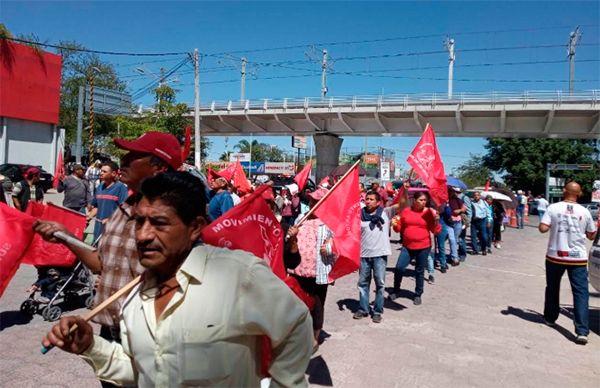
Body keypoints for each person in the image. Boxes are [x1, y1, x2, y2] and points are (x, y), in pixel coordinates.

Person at [42, 172, 313, 386]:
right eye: (139, 222)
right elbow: (143, 371)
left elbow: (296, 324)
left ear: (195, 227)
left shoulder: (238, 274)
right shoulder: (134, 297)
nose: (143, 235)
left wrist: (285, 382)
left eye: (159, 223)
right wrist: (90, 346)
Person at [34, 131, 182, 388]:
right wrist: (67, 237)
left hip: (148, 334)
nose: (122, 161)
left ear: (158, 166)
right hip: (110, 329)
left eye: (133, 155)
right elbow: (101, 264)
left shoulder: (174, 217)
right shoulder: (124, 208)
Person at [538, 182, 597, 345]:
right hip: (577, 258)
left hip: (555, 255)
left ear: (564, 191)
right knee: (580, 292)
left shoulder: (553, 208)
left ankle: (550, 318)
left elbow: (543, 228)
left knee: (552, 287)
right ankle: (582, 331)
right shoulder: (585, 212)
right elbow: (591, 236)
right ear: (579, 193)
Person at [287, 188, 336, 349]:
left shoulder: (329, 224)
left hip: (319, 272)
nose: (312, 204)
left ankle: (314, 338)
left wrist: (330, 247)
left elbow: (339, 245)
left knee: (317, 305)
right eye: (311, 201)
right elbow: (290, 241)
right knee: (299, 303)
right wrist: (292, 234)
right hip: (299, 270)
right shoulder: (301, 219)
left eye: (316, 202)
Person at [389, 191, 441, 305]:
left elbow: (436, 231)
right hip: (407, 246)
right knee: (399, 268)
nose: (423, 202)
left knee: (419, 270)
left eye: (425, 200)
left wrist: (436, 221)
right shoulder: (406, 211)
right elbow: (399, 229)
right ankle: (396, 290)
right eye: (421, 200)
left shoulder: (429, 213)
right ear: (414, 200)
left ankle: (418, 294)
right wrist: (395, 224)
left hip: (423, 246)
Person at [353, 191, 392, 323]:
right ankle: (363, 309)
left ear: (378, 202)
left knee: (380, 284)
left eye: (371, 199)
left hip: (380, 255)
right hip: (364, 255)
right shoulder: (359, 215)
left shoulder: (385, 213)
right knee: (363, 283)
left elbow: (402, 205)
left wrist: (404, 189)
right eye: (366, 199)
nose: (368, 201)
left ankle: (377, 311)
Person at [87, 161, 129, 243]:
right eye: (101, 171)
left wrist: (110, 219)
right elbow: (97, 207)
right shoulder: (99, 187)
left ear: (113, 173)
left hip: (113, 232)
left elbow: (125, 210)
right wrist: (89, 217)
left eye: (104, 171)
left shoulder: (121, 188)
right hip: (98, 230)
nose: (101, 173)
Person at [470, 191, 489, 255]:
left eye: (477, 195)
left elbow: (488, 212)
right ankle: (475, 250)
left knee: (484, 236)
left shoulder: (484, 202)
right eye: (475, 195)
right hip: (474, 221)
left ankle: (484, 249)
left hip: (482, 221)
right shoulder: (471, 203)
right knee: (473, 237)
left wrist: (489, 220)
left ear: (480, 196)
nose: (476, 196)